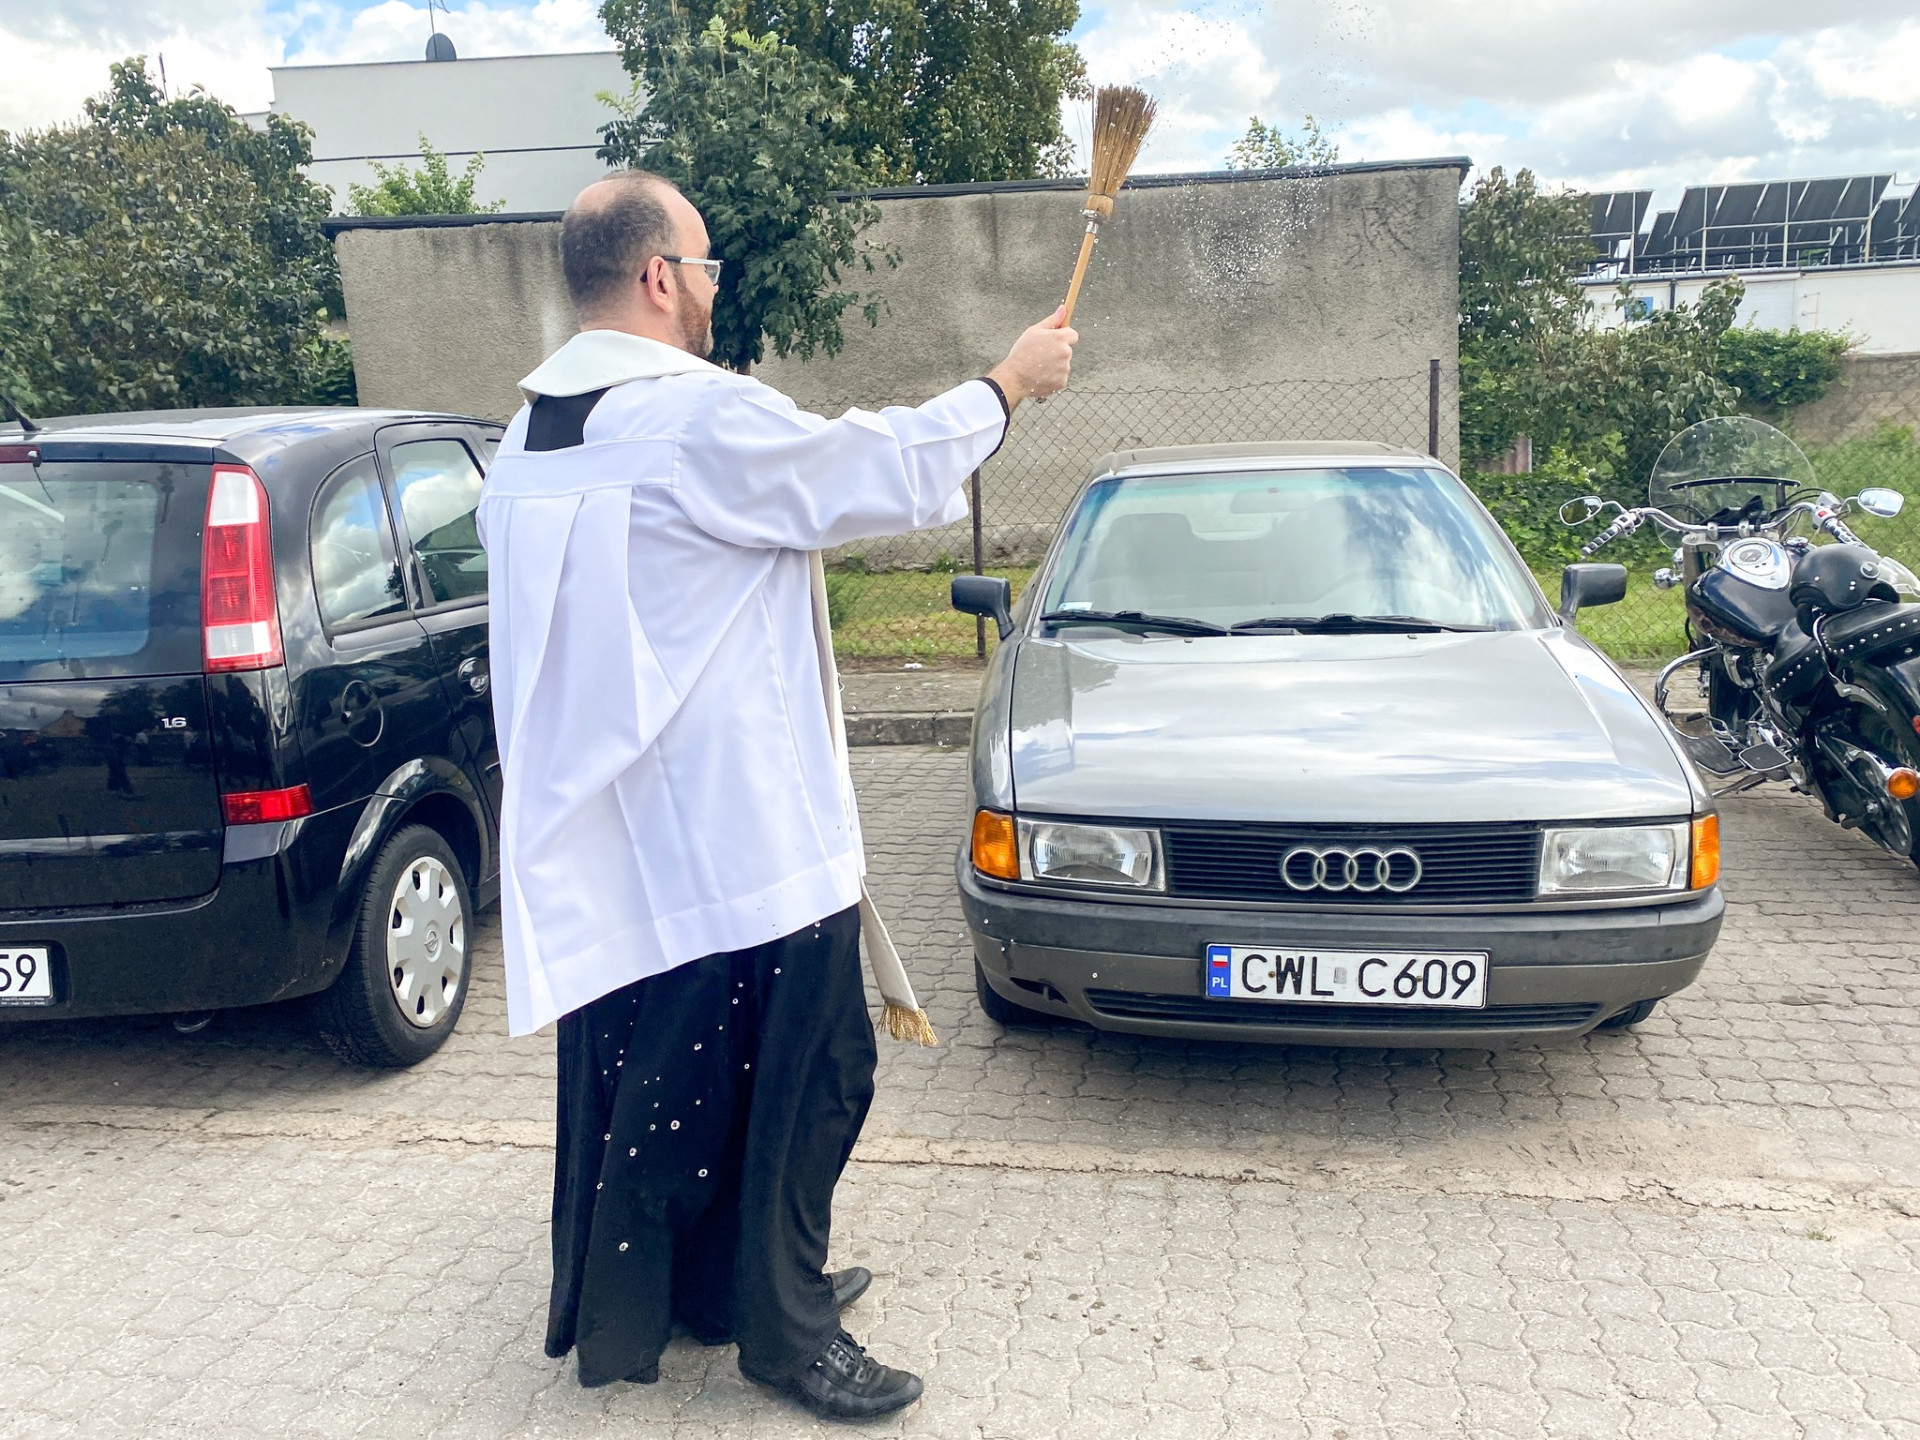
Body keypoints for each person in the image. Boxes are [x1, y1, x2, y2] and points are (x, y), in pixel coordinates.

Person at [478, 170, 1075, 1421]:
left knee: (689, 1100)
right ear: (659, 278)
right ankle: (786, 1332)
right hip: (748, 845)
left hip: (626, 855)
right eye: (705, 267)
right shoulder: (693, 420)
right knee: (816, 1083)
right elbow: (866, 469)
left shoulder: (526, 441)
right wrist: (1006, 386)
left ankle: (723, 1289)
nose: (712, 290)